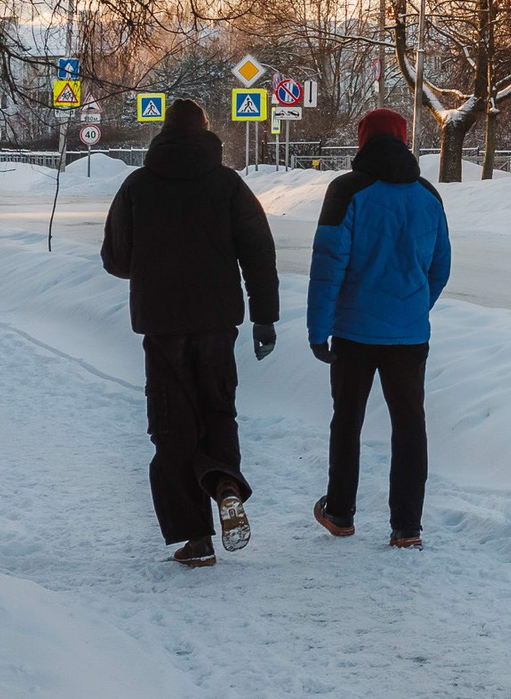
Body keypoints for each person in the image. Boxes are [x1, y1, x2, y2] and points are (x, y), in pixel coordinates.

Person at [101, 98, 279, 568]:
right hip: (217, 323)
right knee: (218, 410)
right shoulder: (228, 185)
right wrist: (265, 316)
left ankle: (196, 538)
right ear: (206, 133)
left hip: (162, 326)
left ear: (163, 132)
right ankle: (223, 481)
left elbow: (116, 259)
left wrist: (153, 259)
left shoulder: (137, 185)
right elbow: (259, 252)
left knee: (171, 426)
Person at [309, 108, 451, 550]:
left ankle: (340, 512)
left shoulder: (346, 191)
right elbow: (440, 266)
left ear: (362, 141)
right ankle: (407, 527)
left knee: (346, 421)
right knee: (410, 426)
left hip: (353, 333)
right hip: (409, 336)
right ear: (404, 139)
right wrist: (414, 308)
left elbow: (327, 266)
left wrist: (319, 329)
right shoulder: (427, 194)